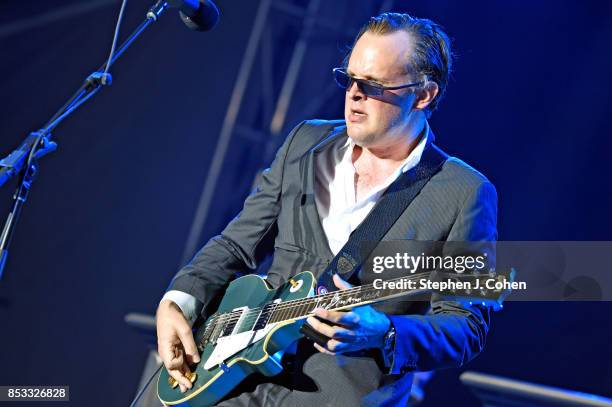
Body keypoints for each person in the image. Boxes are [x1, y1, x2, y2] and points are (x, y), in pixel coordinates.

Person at [156, 12, 497, 407]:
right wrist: (178, 299)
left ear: (423, 95)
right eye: (348, 78)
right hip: (236, 375)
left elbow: (466, 325)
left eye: (372, 85)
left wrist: (386, 330)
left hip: (338, 392)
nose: (353, 93)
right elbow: (235, 245)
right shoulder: (306, 141)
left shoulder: (464, 191)